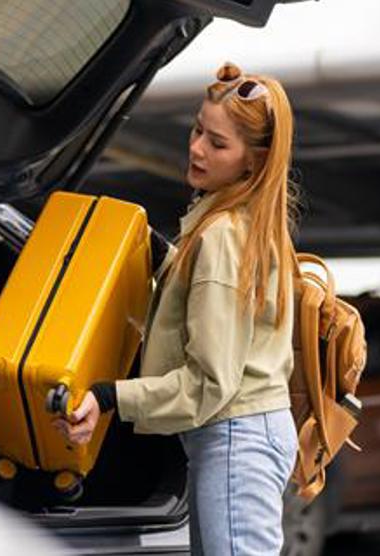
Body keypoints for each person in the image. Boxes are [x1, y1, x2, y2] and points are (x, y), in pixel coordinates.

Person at [56, 61, 300, 555]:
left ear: (252, 162)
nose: (196, 149)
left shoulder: (221, 239)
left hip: (235, 438)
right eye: (197, 129)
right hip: (242, 434)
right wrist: (159, 253)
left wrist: (108, 397)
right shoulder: (236, 224)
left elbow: (210, 382)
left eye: (217, 143)